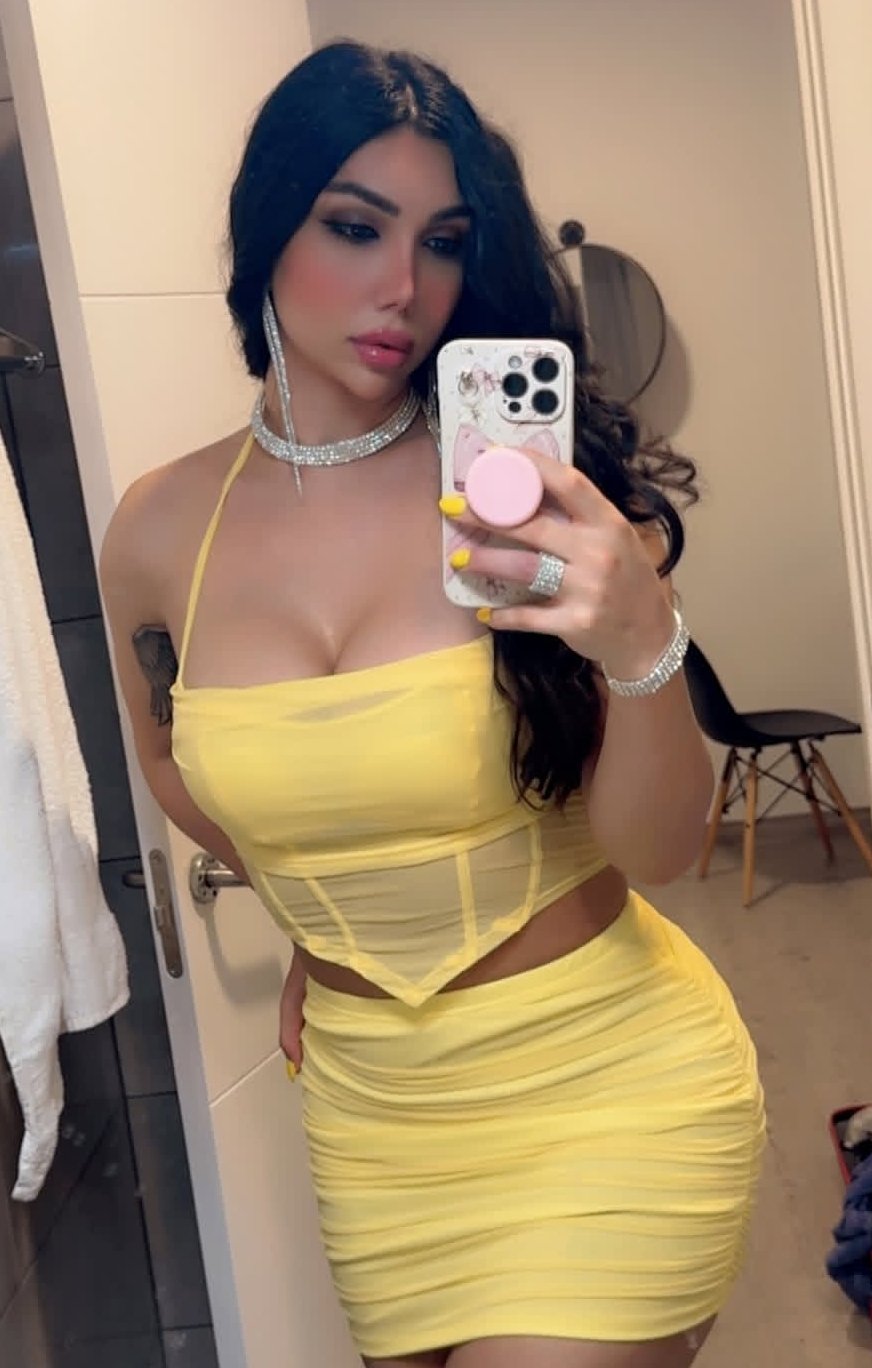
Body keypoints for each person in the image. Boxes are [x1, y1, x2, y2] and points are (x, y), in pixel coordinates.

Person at [99, 40, 766, 1368]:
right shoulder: (159, 532)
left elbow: (663, 849)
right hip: (372, 1120)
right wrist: (321, 903)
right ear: (267, 229)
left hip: (603, 1081)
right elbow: (174, 762)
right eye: (356, 228)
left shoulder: (540, 495)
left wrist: (641, 641)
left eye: (443, 242)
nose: (404, 286)